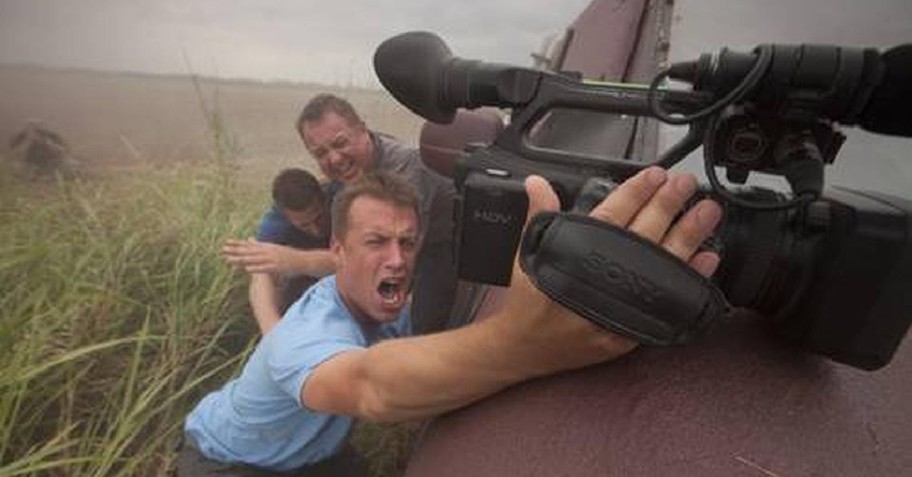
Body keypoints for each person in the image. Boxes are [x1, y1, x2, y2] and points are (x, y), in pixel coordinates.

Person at [178, 166, 723, 475]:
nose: (397, 258)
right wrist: (527, 343)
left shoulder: (387, 301)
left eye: (407, 242)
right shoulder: (310, 331)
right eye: (375, 242)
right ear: (337, 252)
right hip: (229, 465)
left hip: (315, 455)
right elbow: (370, 387)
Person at [223, 94, 457, 335]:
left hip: (441, 248)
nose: (334, 158)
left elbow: (385, 257)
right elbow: (261, 263)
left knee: (418, 327)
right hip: (394, 252)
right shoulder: (332, 184)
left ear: (364, 131)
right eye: (321, 153)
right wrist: (272, 330)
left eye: (340, 143)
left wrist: (292, 260)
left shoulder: (406, 168)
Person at [245, 168, 331, 334]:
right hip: (306, 284)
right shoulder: (275, 226)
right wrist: (271, 331)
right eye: (304, 225)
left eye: (319, 218)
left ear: (324, 200)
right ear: (285, 216)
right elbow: (261, 276)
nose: (316, 230)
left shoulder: (339, 196)